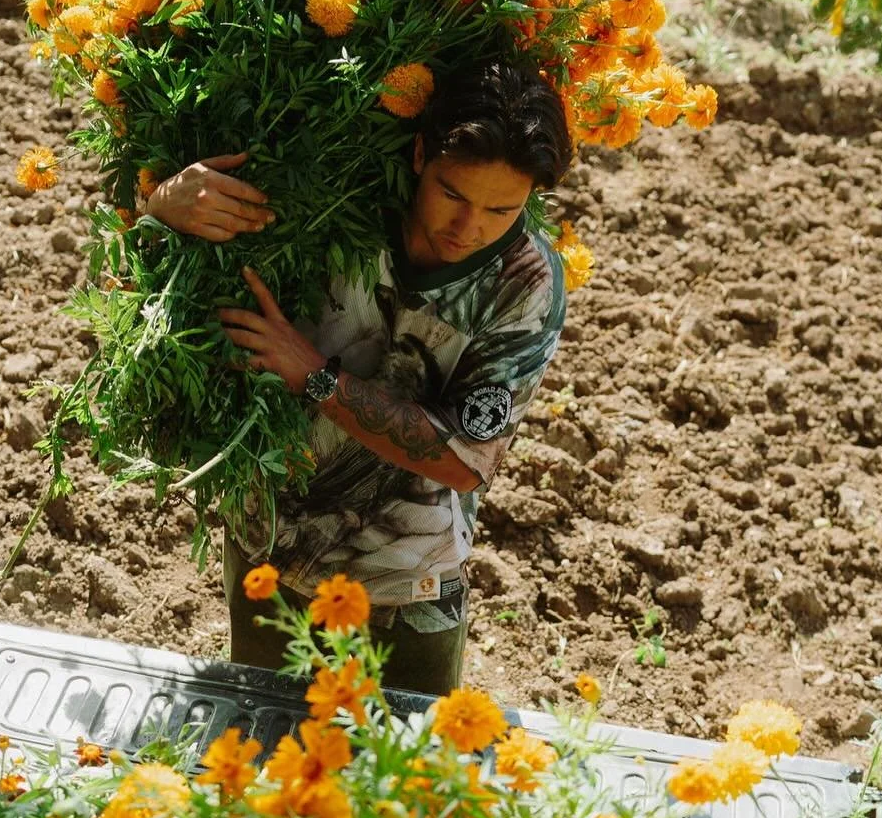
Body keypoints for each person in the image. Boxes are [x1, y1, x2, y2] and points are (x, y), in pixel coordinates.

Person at [145, 59, 571, 693]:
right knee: (262, 759)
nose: (467, 227)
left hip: (404, 587)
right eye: (452, 194)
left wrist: (316, 377)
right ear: (421, 152)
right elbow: (184, 245)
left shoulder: (525, 285)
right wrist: (165, 202)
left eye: (501, 209)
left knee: (397, 780)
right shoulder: (339, 202)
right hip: (269, 549)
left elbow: (463, 459)